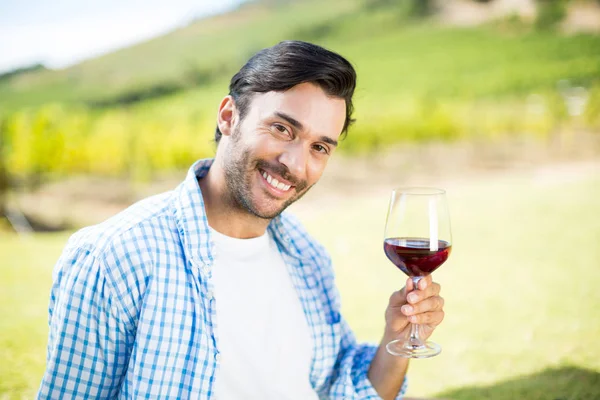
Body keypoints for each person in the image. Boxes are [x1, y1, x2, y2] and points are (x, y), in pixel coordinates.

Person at [37, 41, 445, 400]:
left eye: (319, 146)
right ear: (229, 116)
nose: (295, 164)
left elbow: (341, 391)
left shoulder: (306, 256)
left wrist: (397, 337)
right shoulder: (114, 256)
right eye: (282, 128)